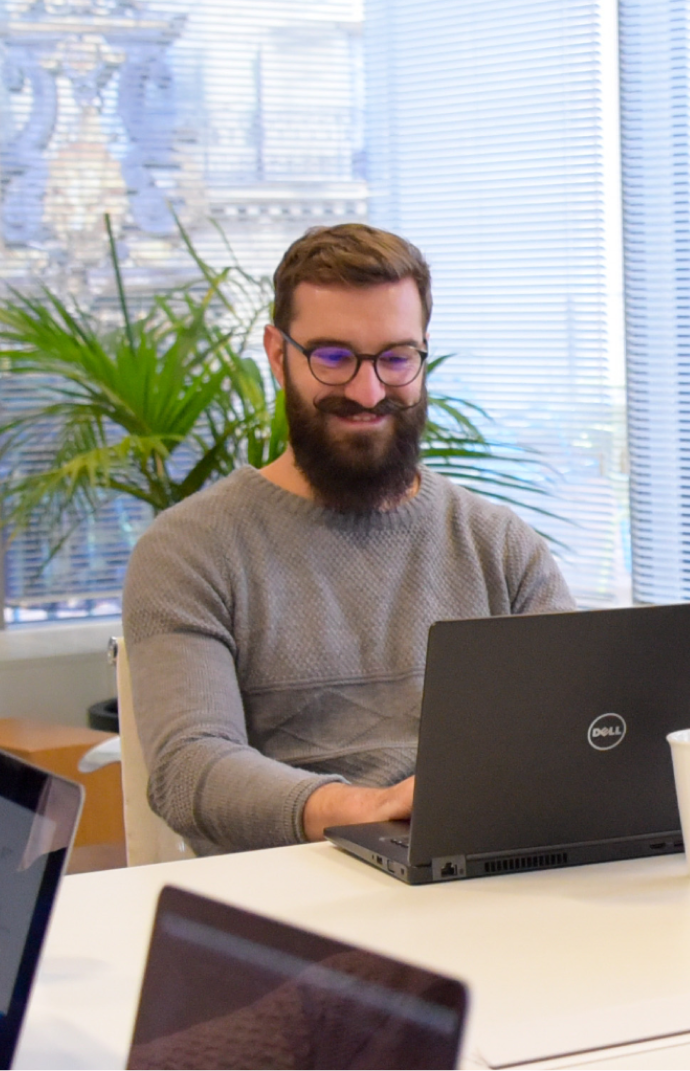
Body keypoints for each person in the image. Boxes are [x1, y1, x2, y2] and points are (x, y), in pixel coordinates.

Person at [122, 224, 573, 855]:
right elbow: (191, 769)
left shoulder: (497, 544)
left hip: (481, 880)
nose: (368, 392)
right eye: (333, 357)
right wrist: (372, 809)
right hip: (290, 903)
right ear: (278, 355)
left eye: (395, 358)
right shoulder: (191, 549)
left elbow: (580, 729)